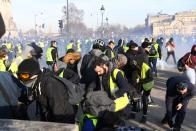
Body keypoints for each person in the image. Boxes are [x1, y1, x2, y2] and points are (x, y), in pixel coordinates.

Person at [17, 58, 75, 123]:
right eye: (19, 75)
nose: (22, 79)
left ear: (34, 73)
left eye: (25, 75)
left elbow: (59, 112)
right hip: (48, 119)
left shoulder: (51, 85)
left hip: (63, 123)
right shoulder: (37, 84)